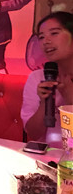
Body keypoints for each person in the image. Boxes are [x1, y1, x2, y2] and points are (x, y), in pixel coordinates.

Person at [22, 11, 73, 148]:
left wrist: (69, 98)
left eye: (54, 33)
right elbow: (33, 134)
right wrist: (44, 103)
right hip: (46, 156)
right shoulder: (37, 78)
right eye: (41, 37)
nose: (46, 41)